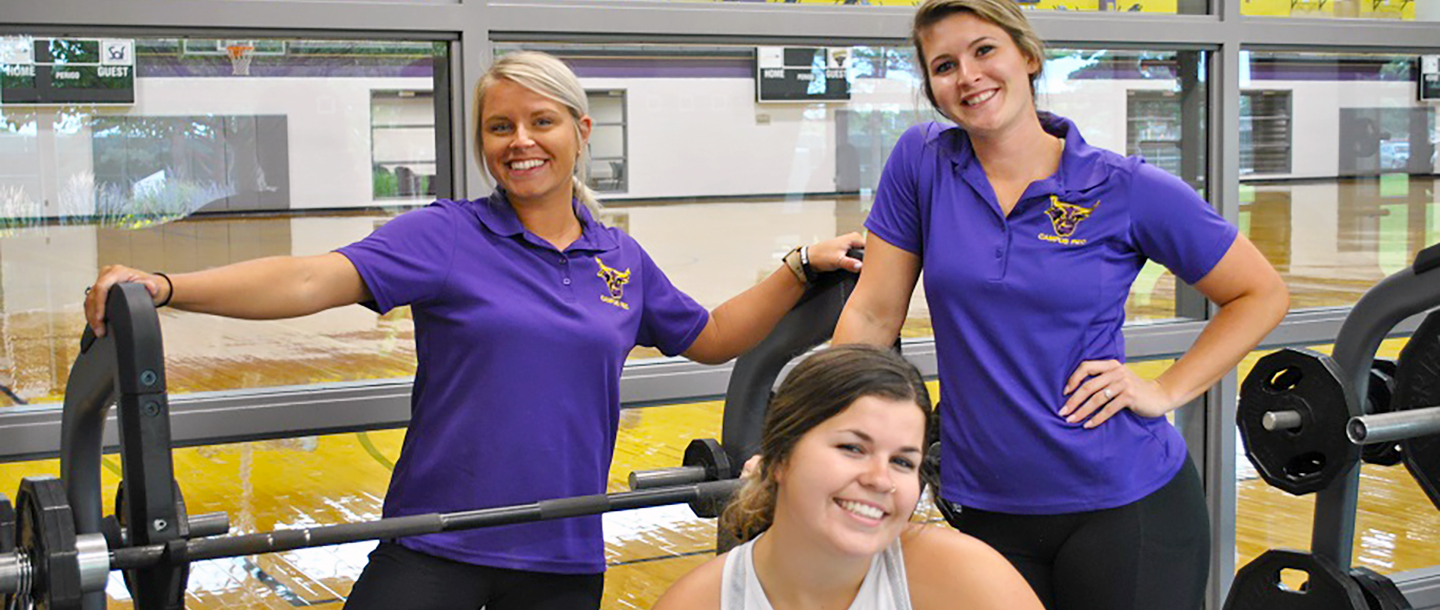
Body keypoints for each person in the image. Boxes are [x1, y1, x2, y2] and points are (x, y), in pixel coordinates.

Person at [84, 51, 864, 610]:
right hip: (434, 544)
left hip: (563, 554)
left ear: (580, 130)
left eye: (541, 121)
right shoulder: (447, 235)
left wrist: (800, 265)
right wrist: (168, 286)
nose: (520, 140)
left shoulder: (618, 258)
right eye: (500, 126)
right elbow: (310, 278)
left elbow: (716, 334)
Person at [831, 2, 1290, 609]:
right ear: (933, 90)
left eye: (984, 50)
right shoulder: (922, 164)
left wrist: (1165, 390)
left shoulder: (1122, 187)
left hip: (1123, 507)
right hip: (983, 503)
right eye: (945, 65)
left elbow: (1260, 293)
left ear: (1027, 56)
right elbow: (872, 315)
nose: (967, 74)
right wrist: (817, 431)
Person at [654, 344, 1042, 610]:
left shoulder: (962, 578)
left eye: (903, 462)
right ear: (779, 458)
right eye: (852, 449)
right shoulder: (702, 600)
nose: (880, 479)